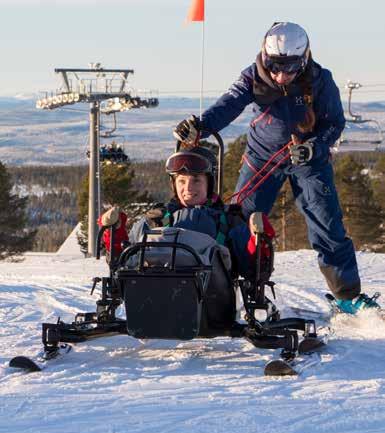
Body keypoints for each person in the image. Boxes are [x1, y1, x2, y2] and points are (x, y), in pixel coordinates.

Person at [173, 22, 380, 315]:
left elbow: (335, 123)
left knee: (327, 223)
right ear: (264, 56)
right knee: (240, 222)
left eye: (290, 67)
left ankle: (347, 295)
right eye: (273, 66)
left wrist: (315, 146)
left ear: (304, 59)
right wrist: (200, 127)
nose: (281, 74)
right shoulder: (252, 77)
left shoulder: (321, 80)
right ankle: (224, 288)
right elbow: (228, 105)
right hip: (262, 159)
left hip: (308, 159)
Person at [100, 145, 275, 280]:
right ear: (174, 184)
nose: (188, 188)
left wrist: (257, 239)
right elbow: (125, 262)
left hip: (212, 307)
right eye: (181, 181)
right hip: (153, 298)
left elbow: (251, 266)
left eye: (196, 181)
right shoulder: (156, 220)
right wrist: (115, 233)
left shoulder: (228, 220)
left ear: (209, 184)